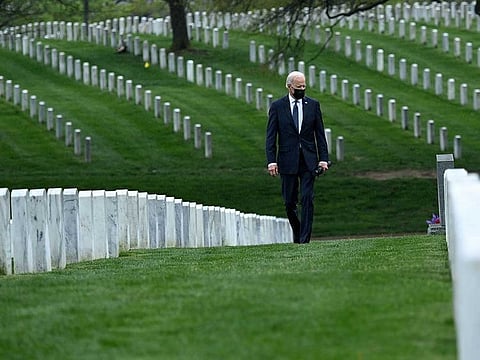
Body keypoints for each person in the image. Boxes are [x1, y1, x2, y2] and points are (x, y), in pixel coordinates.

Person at [265, 70, 329, 244]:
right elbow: (271, 136)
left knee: (307, 198)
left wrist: (324, 158)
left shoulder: (313, 105)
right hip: (287, 159)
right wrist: (271, 161)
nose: (302, 89)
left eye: (304, 86)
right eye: (298, 87)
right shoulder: (278, 107)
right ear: (289, 87)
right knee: (289, 202)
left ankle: (304, 239)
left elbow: (320, 134)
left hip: (308, 160)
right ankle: (298, 230)